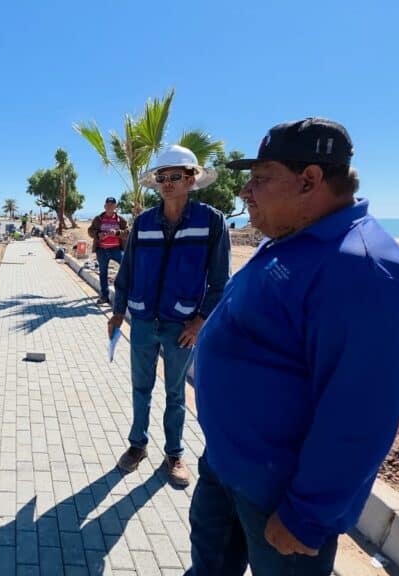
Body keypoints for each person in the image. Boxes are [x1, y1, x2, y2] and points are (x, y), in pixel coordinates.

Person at [186, 118, 399, 575]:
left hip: (280, 499)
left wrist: (306, 515)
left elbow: (359, 412)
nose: (246, 192)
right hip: (227, 466)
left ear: (310, 180)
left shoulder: (365, 269)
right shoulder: (292, 240)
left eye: (260, 179)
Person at [108, 145, 231, 487]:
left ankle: (174, 453)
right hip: (144, 322)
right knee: (140, 388)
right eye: (162, 177)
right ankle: (137, 446)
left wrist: (200, 321)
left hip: (182, 326)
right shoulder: (144, 223)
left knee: (176, 394)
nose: (167, 183)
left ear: (192, 179)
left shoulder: (211, 222)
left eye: (175, 176)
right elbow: (127, 270)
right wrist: (118, 313)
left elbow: (221, 281)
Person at [87, 196, 129, 305]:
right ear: (105, 206)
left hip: (116, 250)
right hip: (102, 251)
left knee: (127, 268)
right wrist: (98, 234)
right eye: (108, 205)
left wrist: (117, 233)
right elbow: (90, 231)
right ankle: (104, 296)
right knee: (103, 273)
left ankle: (128, 294)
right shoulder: (98, 219)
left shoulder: (121, 220)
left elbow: (128, 232)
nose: (110, 206)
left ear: (115, 207)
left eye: (112, 205)